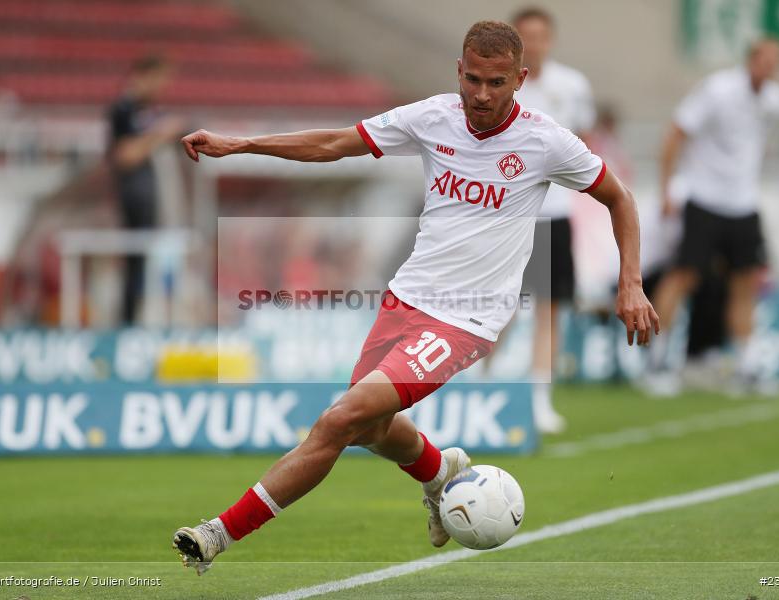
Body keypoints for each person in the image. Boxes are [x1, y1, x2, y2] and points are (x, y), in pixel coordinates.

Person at [172, 21, 658, 575]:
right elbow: (335, 142)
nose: (480, 94)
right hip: (405, 300)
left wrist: (630, 283)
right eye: (472, 79)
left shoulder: (546, 141)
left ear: (520, 79)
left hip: (468, 318)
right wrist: (243, 144)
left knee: (340, 420)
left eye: (496, 82)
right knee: (372, 429)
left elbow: (619, 198)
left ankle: (217, 534)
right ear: (458, 69)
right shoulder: (433, 117)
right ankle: (438, 472)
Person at [647, 38, 779, 396]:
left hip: (744, 203)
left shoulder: (774, 101)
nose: (769, 68)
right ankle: (658, 361)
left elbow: (758, 147)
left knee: (745, 283)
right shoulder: (718, 89)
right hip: (704, 198)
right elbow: (676, 133)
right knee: (682, 276)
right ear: (751, 59)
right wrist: (667, 189)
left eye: (775, 62)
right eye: (764, 60)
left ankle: (747, 365)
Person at [511, 7, 596, 433]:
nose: (535, 44)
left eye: (540, 35)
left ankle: (539, 398)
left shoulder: (572, 85)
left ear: (551, 39)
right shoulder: (502, 85)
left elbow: (582, 141)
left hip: (555, 214)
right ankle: (481, 387)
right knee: (497, 308)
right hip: (506, 217)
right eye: (526, 36)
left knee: (549, 310)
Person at [107, 54, 183, 324]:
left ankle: (161, 320)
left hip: (162, 201)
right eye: (159, 79)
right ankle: (130, 322)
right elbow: (124, 155)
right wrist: (158, 135)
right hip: (136, 200)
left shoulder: (155, 113)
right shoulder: (123, 111)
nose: (163, 87)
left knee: (162, 262)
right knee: (136, 262)